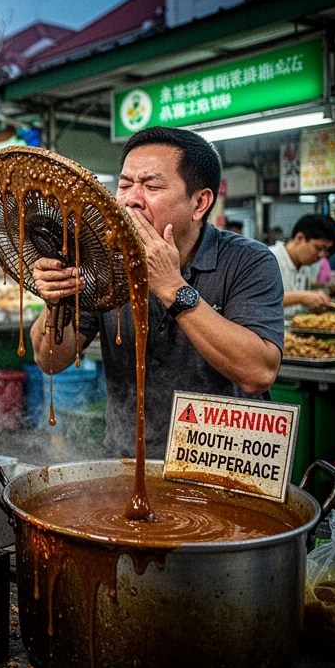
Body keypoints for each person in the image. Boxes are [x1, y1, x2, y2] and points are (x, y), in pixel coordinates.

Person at [31, 126, 283, 459]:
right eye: (123, 185)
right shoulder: (101, 261)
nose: (131, 198)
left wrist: (172, 287)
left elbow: (258, 373)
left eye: (152, 186)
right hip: (128, 455)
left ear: (200, 202)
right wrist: (56, 301)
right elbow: (49, 360)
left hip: (225, 461)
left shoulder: (247, 260)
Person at [269, 214, 335, 316]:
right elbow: (258, 300)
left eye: (326, 250)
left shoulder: (305, 266)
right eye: (318, 248)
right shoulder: (269, 259)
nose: (321, 255)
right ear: (299, 238)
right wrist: (301, 297)